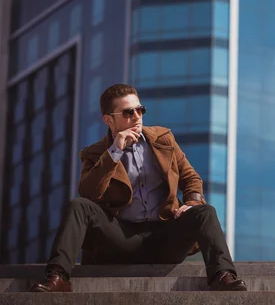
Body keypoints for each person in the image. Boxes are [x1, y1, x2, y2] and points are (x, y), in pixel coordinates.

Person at [30, 83, 246, 292]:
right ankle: (58, 277)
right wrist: (115, 151)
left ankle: (222, 276)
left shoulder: (163, 139)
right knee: (79, 206)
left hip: (164, 237)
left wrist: (192, 202)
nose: (136, 116)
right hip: (121, 239)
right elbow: (89, 193)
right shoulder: (95, 154)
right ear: (108, 120)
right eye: (128, 112)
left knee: (205, 211)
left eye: (140, 110)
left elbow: (190, 177)